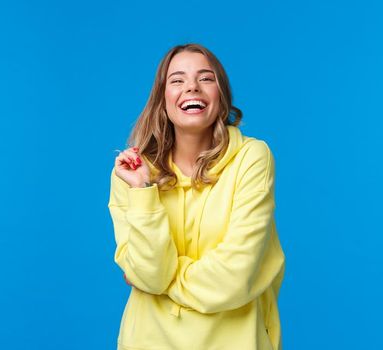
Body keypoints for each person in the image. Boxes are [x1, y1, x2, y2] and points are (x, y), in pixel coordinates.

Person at [108, 43, 286, 350]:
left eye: (206, 78)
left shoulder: (252, 158)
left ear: (221, 95)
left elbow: (233, 278)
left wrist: (164, 281)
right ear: (162, 100)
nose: (192, 87)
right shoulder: (132, 172)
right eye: (177, 80)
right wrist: (143, 192)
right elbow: (150, 275)